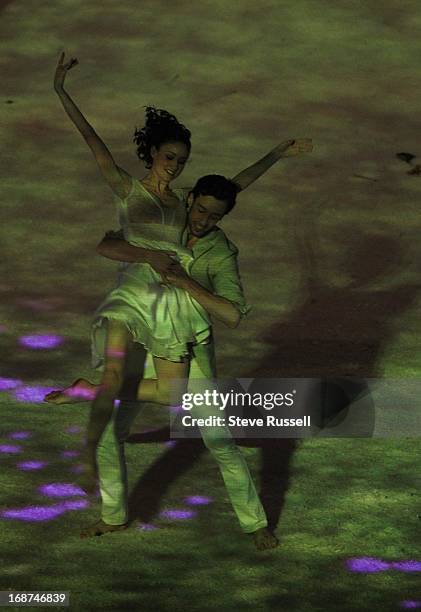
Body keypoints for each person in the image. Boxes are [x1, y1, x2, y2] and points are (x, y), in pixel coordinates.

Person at [50, 52, 313, 549]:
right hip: (137, 306)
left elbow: (232, 187)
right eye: (170, 158)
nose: (176, 167)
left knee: (215, 437)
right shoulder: (129, 191)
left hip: (179, 320)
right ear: (151, 153)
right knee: (111, 429)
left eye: (183, 162)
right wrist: (61, 89)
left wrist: (275, 155)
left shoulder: (189, 203)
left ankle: (255, 523)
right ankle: (112, 514)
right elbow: (93, 143)